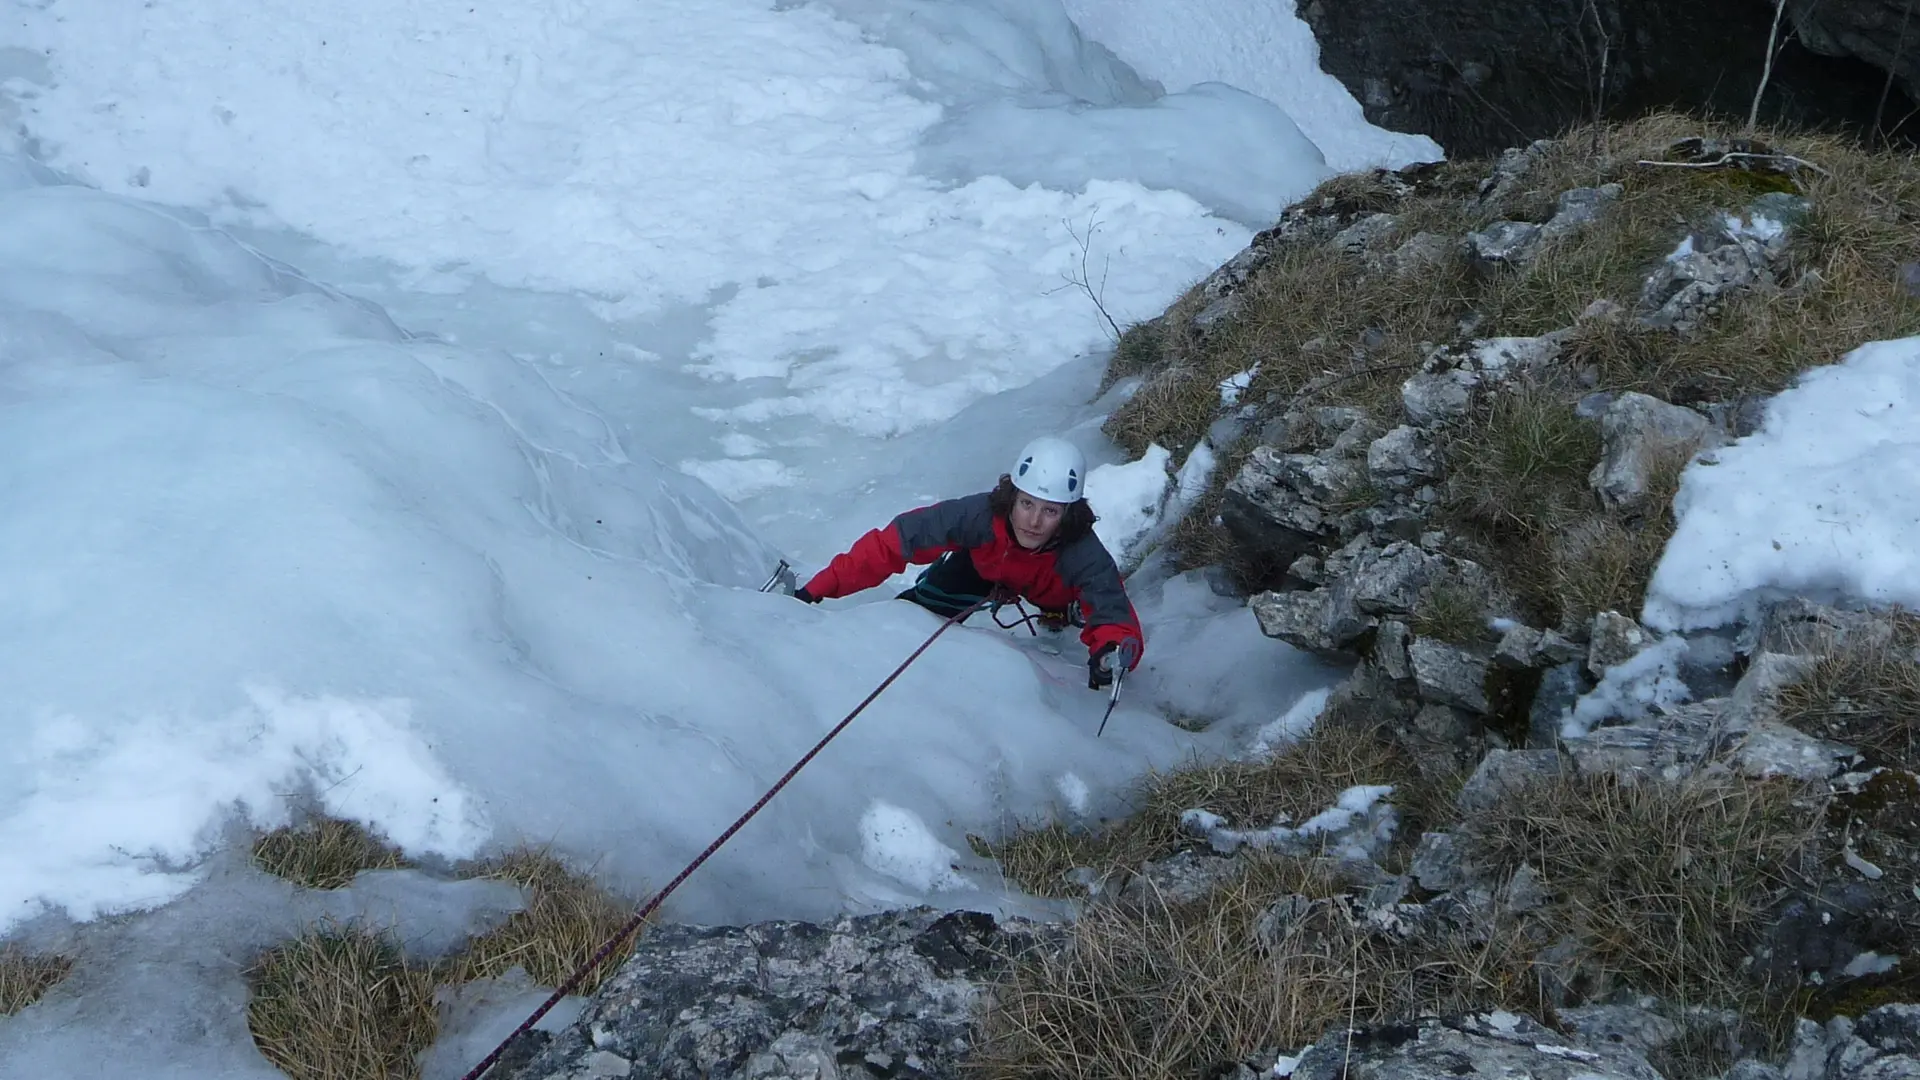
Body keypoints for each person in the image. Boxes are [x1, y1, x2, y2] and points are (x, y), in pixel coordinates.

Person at [791, 436, 1144, 689]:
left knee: (1067, 598)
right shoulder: (977, 517)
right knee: (914, 612)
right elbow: (893, 543)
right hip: (985, 569)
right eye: (1027, 504)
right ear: (1012, 497)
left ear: (1068, 514)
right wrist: (816, 589)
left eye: (1049, 510)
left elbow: (1113, 610)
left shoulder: (1082, 552)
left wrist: (1108, 655)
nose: (1034, 522)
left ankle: (1060, 611)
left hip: (1052, 586)